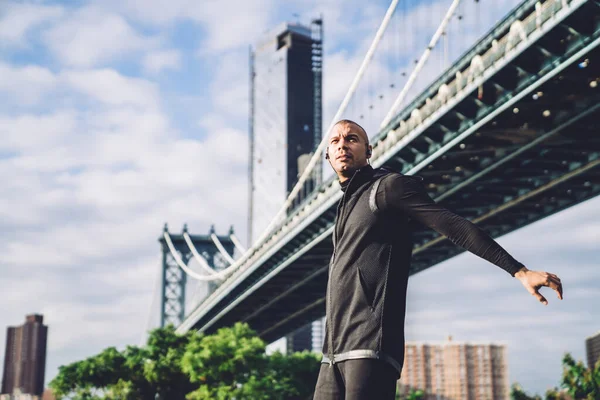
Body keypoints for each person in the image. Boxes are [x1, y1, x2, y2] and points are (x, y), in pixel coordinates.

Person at [312, 119, 563, 400]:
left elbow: (453, 225)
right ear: (327, 156)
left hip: (371, 346)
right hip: (331, 356)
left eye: (352, 138)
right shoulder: (344, 205)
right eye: (335, 141)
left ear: (369, 150)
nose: (342, 145)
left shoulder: (388, 188)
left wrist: (519, 270)